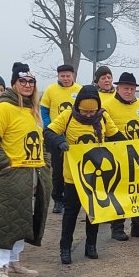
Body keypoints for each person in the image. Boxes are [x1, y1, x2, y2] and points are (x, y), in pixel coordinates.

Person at [0, 63, 51, 277]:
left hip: (33, 171)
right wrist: (5, 165)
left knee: (23, 220)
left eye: (31, 82)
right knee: (7, 221)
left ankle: (14, 262)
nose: (28, 85)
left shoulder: (33, 108)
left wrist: (45, 163)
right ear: (14, 83)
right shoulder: (3, 108)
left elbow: (39, 140)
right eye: (23, 81)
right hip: (12, 173)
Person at [46, 84, 119, 263]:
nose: (88, 115)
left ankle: (91, 246)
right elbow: (48, 132)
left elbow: (117, 137)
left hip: (96, 177)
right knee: (70, 212)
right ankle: (65, 248)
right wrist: (59, 141)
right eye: (84, 112)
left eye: (91, 112)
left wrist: (136, 148)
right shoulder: (67, 116)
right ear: (78, 106)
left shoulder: (103, 118)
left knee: (94, 213)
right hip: (72, 177)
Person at [101, 72, 139, 240]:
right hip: (116, 157)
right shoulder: (107, 105)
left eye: (132, 88)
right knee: (118, 192)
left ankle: (138, 226)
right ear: (118, 88)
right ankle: (117, 228)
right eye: (126, 88)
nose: (129, 91)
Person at [40, 64, 82, 215]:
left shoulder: (79, 90)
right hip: (55, 135)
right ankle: (58, 199)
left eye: (68, 76)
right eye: (62, 76)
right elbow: (43, 110)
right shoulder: (51, 90)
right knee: (58, 170)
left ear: (73, 76)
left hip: (74, 136)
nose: (65, 78)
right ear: (58, 76)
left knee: (76, 168)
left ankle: (75, 198)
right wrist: (49, 127)